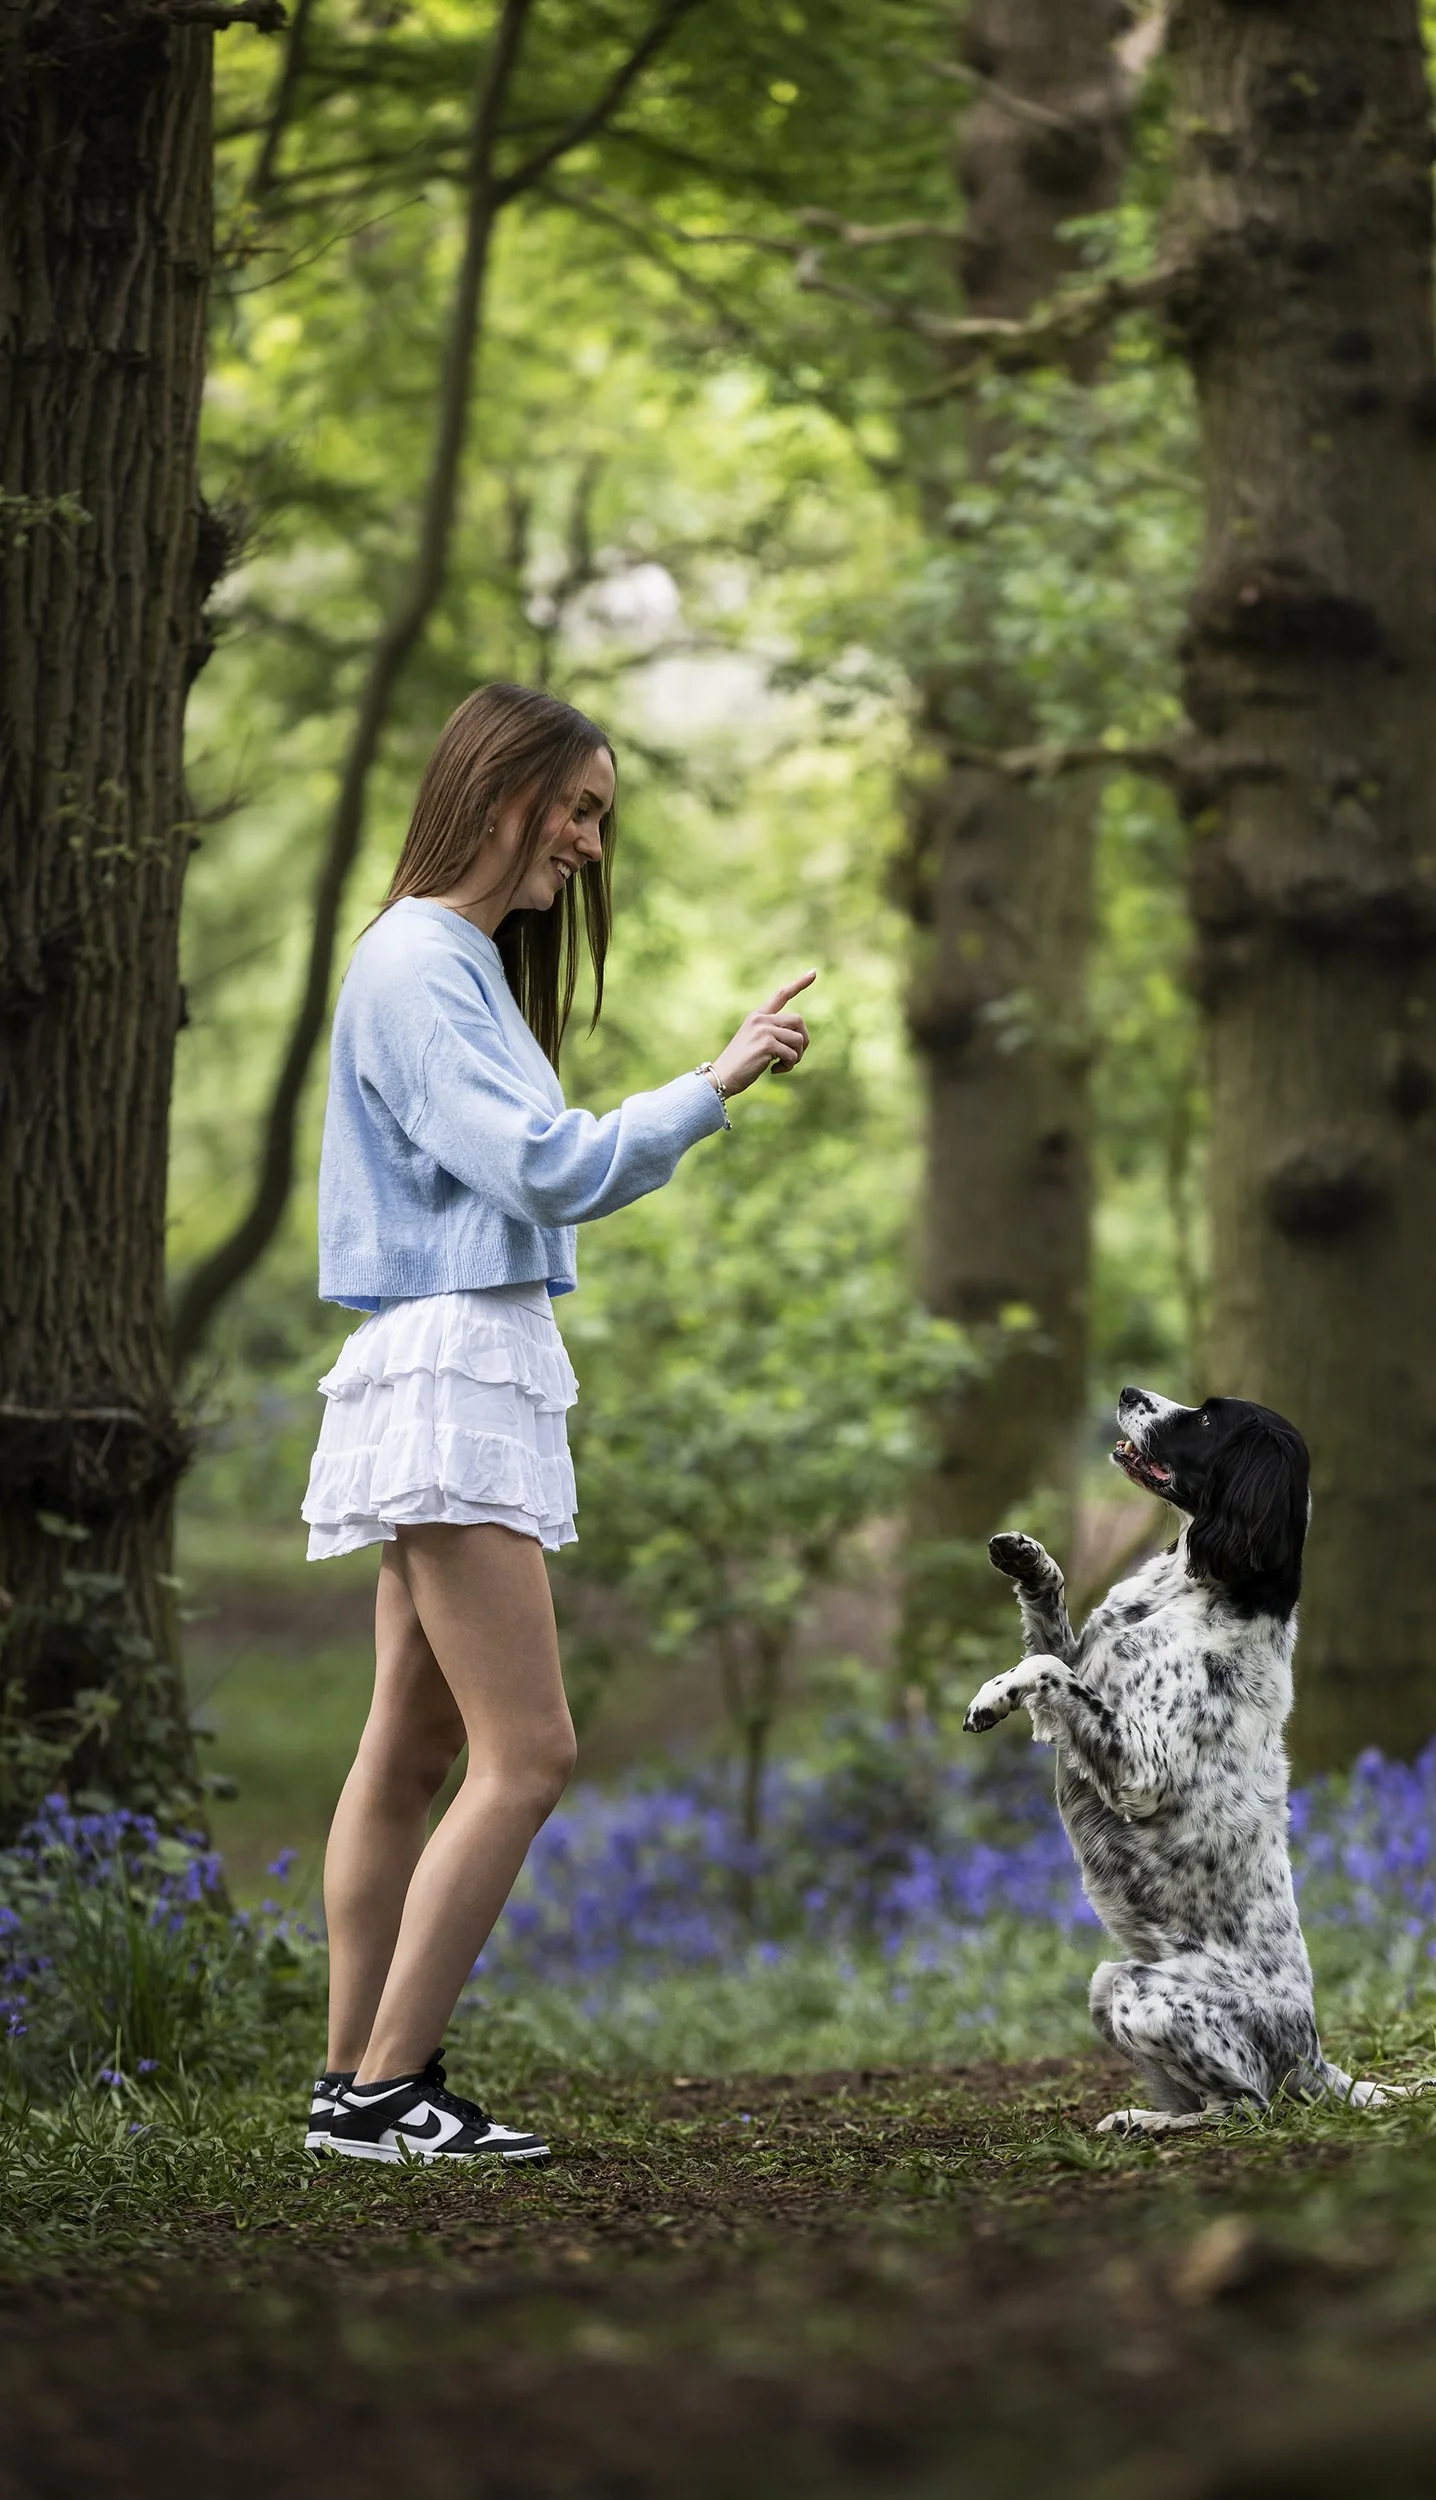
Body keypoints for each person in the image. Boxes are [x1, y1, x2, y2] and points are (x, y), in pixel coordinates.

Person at [297, 680, 813, 2162]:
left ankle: (354, 2087)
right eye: (576, 807)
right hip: (456, 1368)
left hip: (444, 1359)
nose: (588, 842)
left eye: (599, 816)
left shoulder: (442, 962)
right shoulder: (420, 964)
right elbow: (541, 1167)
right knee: (530, 1755)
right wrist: (712, 1083)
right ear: (497, 789)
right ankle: (388, 2089)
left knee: (411, 1746)